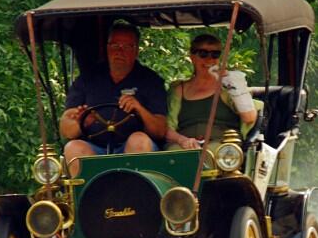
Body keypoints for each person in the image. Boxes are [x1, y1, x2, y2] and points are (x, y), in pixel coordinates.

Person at [60, 24, 167, 175]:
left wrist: (139, 108)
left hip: (133, 148)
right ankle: (90, 197)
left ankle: (138, 196)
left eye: (127, 46)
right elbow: (66, 128)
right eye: (115, 45)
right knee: (73, 147)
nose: (119, 51)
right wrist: (81, 121)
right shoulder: (87, 79)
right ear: (107, 48)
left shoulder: (150, 81)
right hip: (95, 148)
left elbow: (160, 131)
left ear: (136, 51)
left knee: (138, 140)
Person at [165, 34, 257, 151]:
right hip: (185, 145)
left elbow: (249, 118)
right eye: (203, 54)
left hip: (222, 147)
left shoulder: (227, 86)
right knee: (174, 153)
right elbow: (167, 128)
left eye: (215, 54)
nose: (209, 59)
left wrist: (233, 84)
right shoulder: (179, 89)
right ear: (192, 57)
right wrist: (182, 140)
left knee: (211, 154)